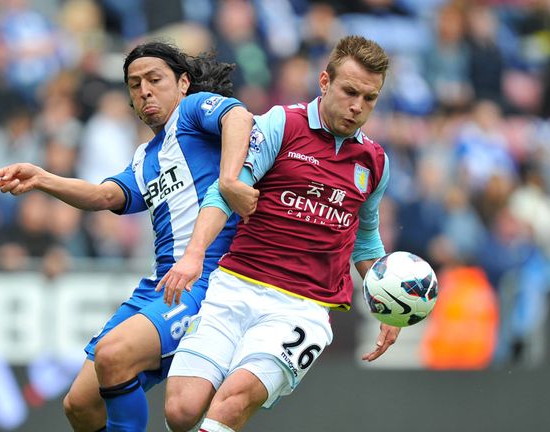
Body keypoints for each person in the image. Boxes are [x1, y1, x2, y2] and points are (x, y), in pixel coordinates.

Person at [0, 41, 255, 432]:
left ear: (183, 83)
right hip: (158, 285)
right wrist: (43, 178)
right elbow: (102, 196)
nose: (144, 90)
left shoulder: (193, 112)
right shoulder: (145, 157)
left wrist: (230, 179)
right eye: (134, 84)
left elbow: (238, 116)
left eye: (154, 79)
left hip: (206, 282)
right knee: (80, 404)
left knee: (113, 355)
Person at [157, 35, 401, 432]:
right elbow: (228, 190)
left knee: (232, 401)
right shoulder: (281, 124)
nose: (358, 107)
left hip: (302, 309)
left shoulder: (374, 162)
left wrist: (385, 303)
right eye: (350, 91)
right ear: (324, 82)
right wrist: (194, 254)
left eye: (370, 99)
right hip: (234, 287)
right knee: (181, 410)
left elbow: (366, 238)